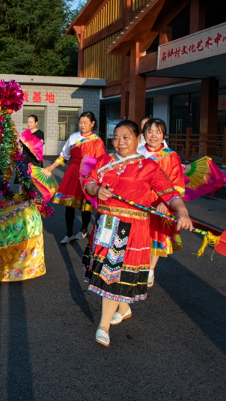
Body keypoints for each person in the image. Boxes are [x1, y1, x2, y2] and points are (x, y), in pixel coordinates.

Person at [82, 120, 193, 347]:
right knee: (105, 270)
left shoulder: (148, 167)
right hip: (105, 224)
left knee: (112, 273)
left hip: (130, 229)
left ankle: (103, 325)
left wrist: (182, 211)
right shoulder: (105, 160)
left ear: (137, 139)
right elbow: (89, 182)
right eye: (116, 137)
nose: (120, 142)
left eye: (126, 137)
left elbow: (170, 194)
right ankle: (123, 307)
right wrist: (97, 190)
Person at [44, 111, 105, 244]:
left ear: (92, 123)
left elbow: (101, 162)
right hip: (72, 171)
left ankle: (83, 230)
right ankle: (69, 233)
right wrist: (51, 167)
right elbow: (64, 155)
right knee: (68, 203)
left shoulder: (97, 142)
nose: (82, 125)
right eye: (80, 122)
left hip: (88, 174)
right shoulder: (73, 137)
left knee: (85, 204)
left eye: (85, 123)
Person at [138, 118, 185, 287]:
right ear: (144, 133)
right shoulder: (136, 152)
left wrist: (166, 203)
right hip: (138, 201)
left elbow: (177, 183)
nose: (153, 135)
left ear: (163, 135)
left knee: (154, 236)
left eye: (158, 132)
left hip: (158, 202)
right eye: (150, 131)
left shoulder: (171, 156)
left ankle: (150, 270)